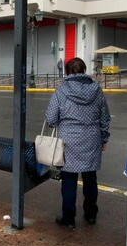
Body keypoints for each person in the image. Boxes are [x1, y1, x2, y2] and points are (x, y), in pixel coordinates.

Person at [45, 58, 110, 231]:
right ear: (84, 69)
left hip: (69, 141)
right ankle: (90, 214)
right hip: (92, 139)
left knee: (69, 180)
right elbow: (105, 118)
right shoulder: (97, 90)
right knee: (90, 179)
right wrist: (104, 139)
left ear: (66, 72)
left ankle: (68, 218)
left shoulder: (61, 91)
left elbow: (51, 120)